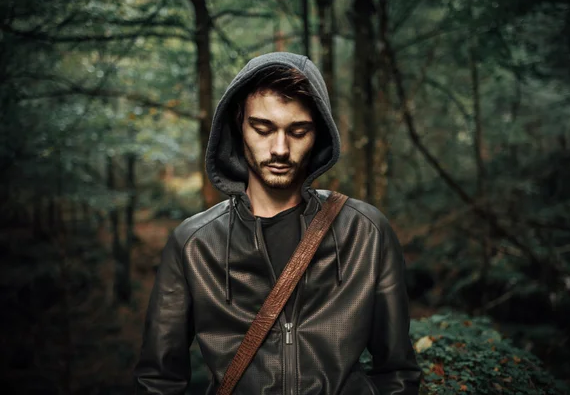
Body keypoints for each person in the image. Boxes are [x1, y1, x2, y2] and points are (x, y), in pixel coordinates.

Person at [134, 52, 422, 394]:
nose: (280, 149)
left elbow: (397, 372)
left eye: (298, 131)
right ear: (238, 126)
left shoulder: (365, 232)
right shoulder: (193, 244)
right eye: (263, 128)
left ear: (319, 135)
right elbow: (158, 382)